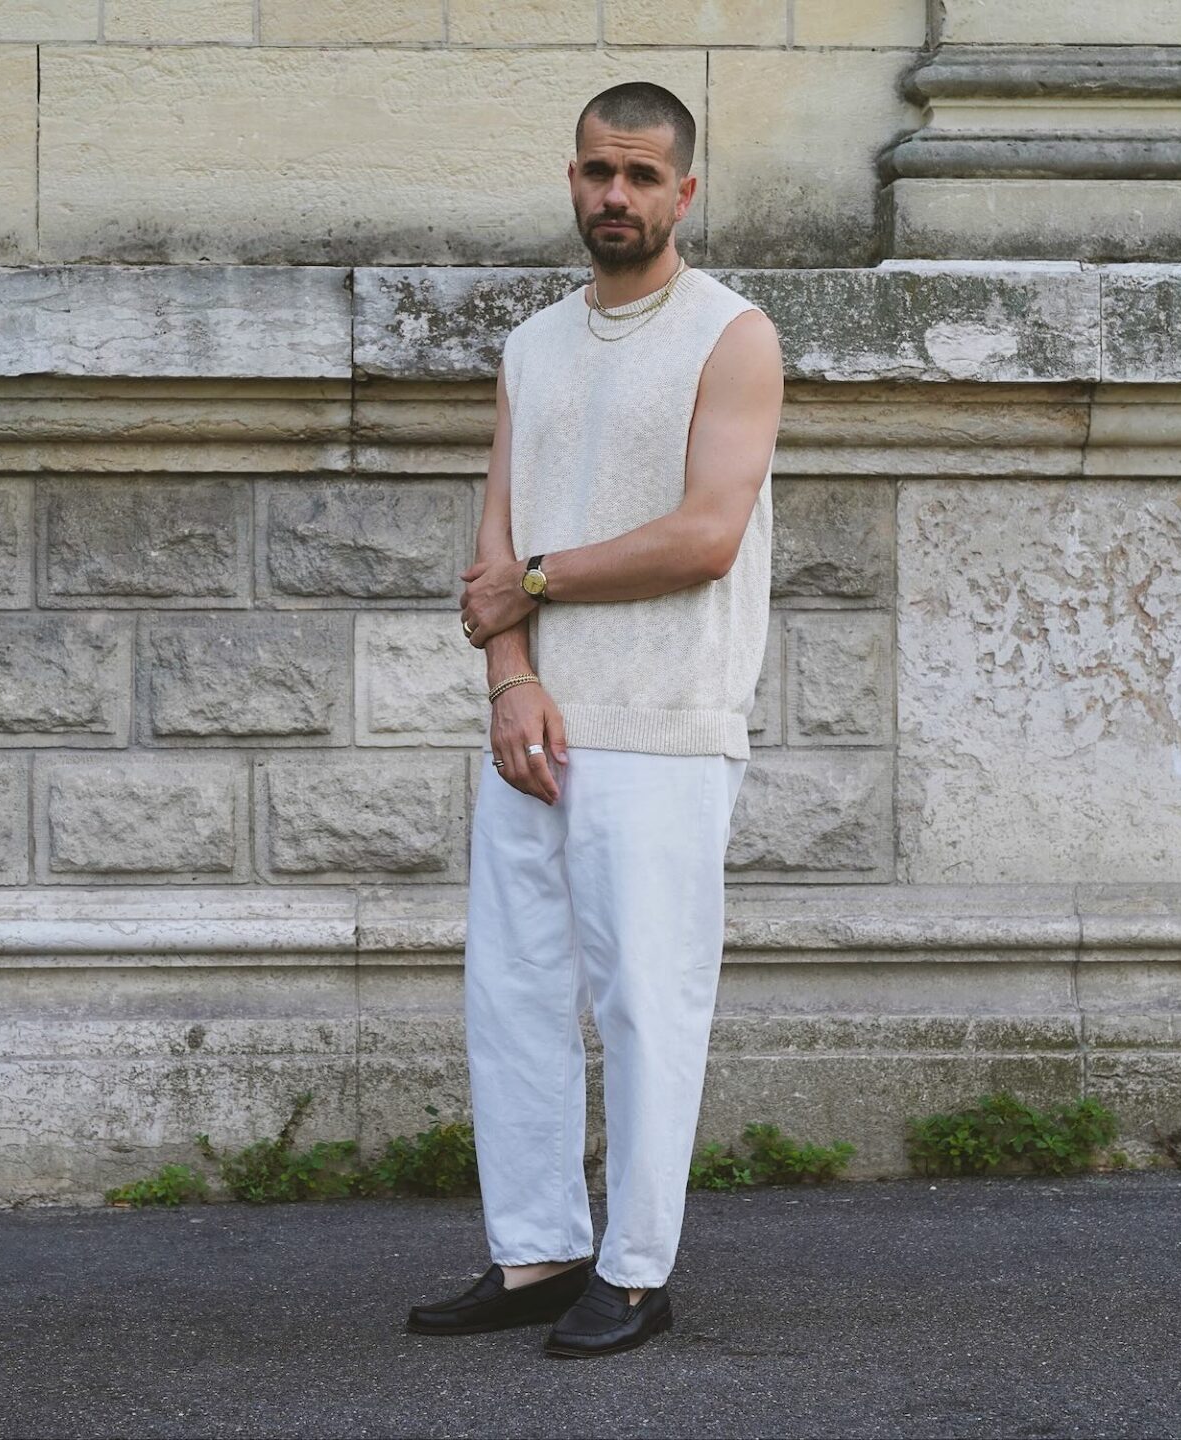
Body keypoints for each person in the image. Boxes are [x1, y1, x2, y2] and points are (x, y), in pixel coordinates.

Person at [405, 80, 783, 1359]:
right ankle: (540, 1251)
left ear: (684, 191)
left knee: (644, 1001)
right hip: (537, 722)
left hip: (666, 720)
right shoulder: (533, 345)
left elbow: (706, 533)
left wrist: (539, 587)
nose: (611, 197)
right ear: (570, 179)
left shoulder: (732, 336)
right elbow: (492, 545)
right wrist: (511, 674)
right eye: (592, 174)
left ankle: (635, 1267)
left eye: (637, 177)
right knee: (509, 993)